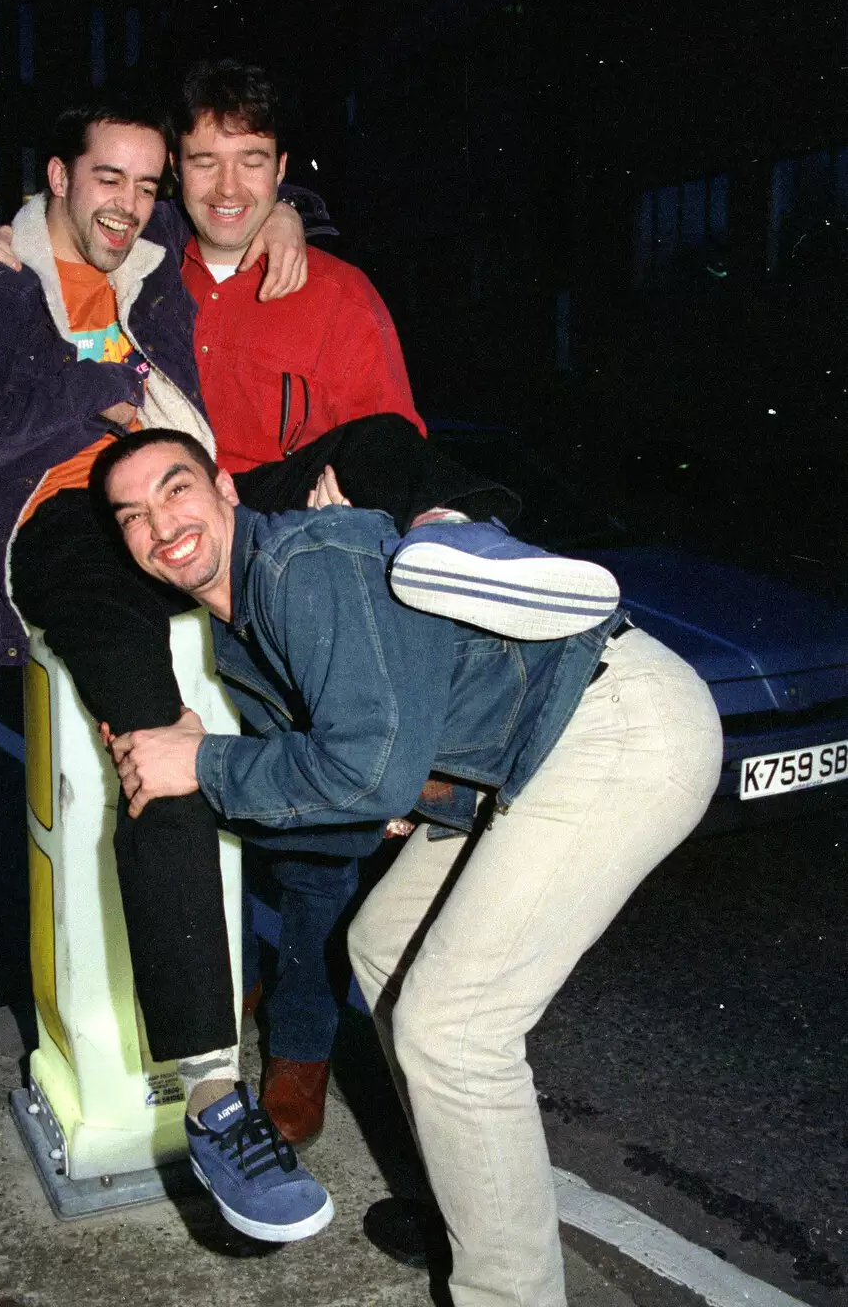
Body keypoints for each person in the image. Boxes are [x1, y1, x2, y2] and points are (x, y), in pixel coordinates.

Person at [0, 85, 617, 1243]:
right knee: (159, 744)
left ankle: (464, 539)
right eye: (109, 180)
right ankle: (208, 1091)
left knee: (376, 445)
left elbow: (239, 207)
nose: (131, 204)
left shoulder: (158, 265)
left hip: (194, 489)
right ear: (56, 180)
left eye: (147, 183)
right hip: (69, 526)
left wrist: (292, 214)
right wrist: (94, 383)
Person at [98, 430, 722, 1302]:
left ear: (227, 491)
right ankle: (473, 1207)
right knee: (382, 947)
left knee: (451, 1026)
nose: (160, 525)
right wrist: (226, 769)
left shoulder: (300, 566)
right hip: (515, 764)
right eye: (132, 516)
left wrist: (201, 766)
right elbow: (333, 809)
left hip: (615, 724)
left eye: (175, 491)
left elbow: (359, 771)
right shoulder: (238, 640)